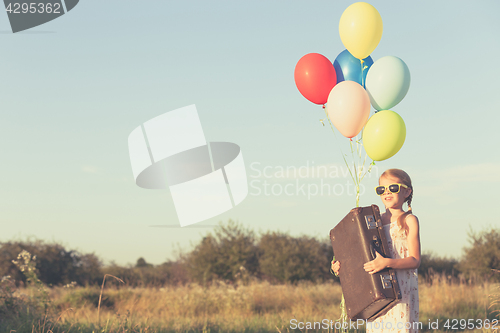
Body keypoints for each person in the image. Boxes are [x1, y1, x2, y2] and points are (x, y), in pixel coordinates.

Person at [331, 168, 420, 332]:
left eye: (393, 188)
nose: (387, 192)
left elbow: (415, 260)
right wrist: (341, 266)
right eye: (381, 189)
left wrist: (387, 263)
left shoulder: (409, 220)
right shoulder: (371, 221)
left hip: (401, 290)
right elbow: (359, 255)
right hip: (377, 291)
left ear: (407, 191)